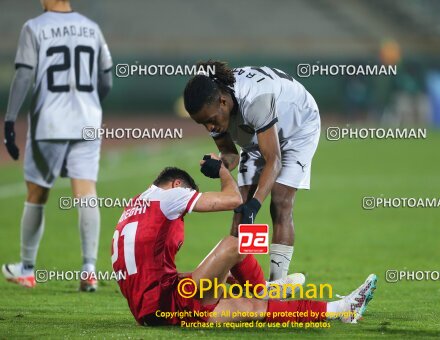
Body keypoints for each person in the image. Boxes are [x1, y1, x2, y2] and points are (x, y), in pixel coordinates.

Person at [112, 154, 377, 326]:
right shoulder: (169, 195)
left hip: (151, 310)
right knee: (233, 244)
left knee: (252, 307)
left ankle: (343, 308)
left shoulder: (132, 208)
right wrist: (223, 172)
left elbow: (143, 274)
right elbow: (234, 200)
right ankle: (264, 287)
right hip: (165, 301)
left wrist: (193, 277)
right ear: (177, 184)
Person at [1, 0, 113, 292]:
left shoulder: (34, 27)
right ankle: (89, 269)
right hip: (88, 120)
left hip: (49, 122)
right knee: (86, 192)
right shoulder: (92, 28)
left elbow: (24, 74)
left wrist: (10, 120)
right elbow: (106, 79)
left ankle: (26, 268)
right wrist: (90, 106)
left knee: (36, 192)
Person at [183, 61, 321, 281]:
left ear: (223, 101)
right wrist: (219, 167)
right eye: (203, 124)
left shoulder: (256, 100)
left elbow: (273, 160)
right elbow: (231, 155)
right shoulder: (214, 109)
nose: (210, 128)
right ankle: (242, 283)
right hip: (260, 132)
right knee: (240, 208)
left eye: (210, 121)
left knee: (280, 201)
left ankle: (276, 288)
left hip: (298, 128)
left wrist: (255, 204)